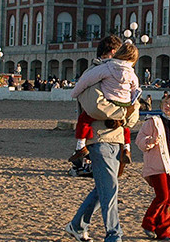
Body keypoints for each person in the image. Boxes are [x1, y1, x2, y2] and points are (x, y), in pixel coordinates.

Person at [65, 35, 140, 242]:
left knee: (103, 187)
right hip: (98, 137)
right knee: (110, 188)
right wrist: (122, 115)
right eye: (116, 54)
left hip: (117, 139)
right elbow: (94, 105)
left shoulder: (124, 73)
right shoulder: (94, 74)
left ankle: (76, 226)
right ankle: (114, 235)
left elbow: (135, 105)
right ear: (108, 53)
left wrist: (128, 117)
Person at [69, 43, 140, 166]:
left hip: (110, 100)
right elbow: (136, 89)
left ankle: (80, 146)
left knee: (84, 119)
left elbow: (85, 81)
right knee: (124, 126)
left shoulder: (107, 68)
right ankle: (127, 149)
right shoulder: (132, 73)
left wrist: (74, 93)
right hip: (124, 104)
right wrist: (131, 103)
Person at [135, 94, 170, 241]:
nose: (167, 106)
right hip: (157, 165)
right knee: (162, 196)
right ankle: (148, 222)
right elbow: (139, 140)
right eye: (166, 103)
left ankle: (164, 232)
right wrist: (150, 141)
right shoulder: (153, 122)